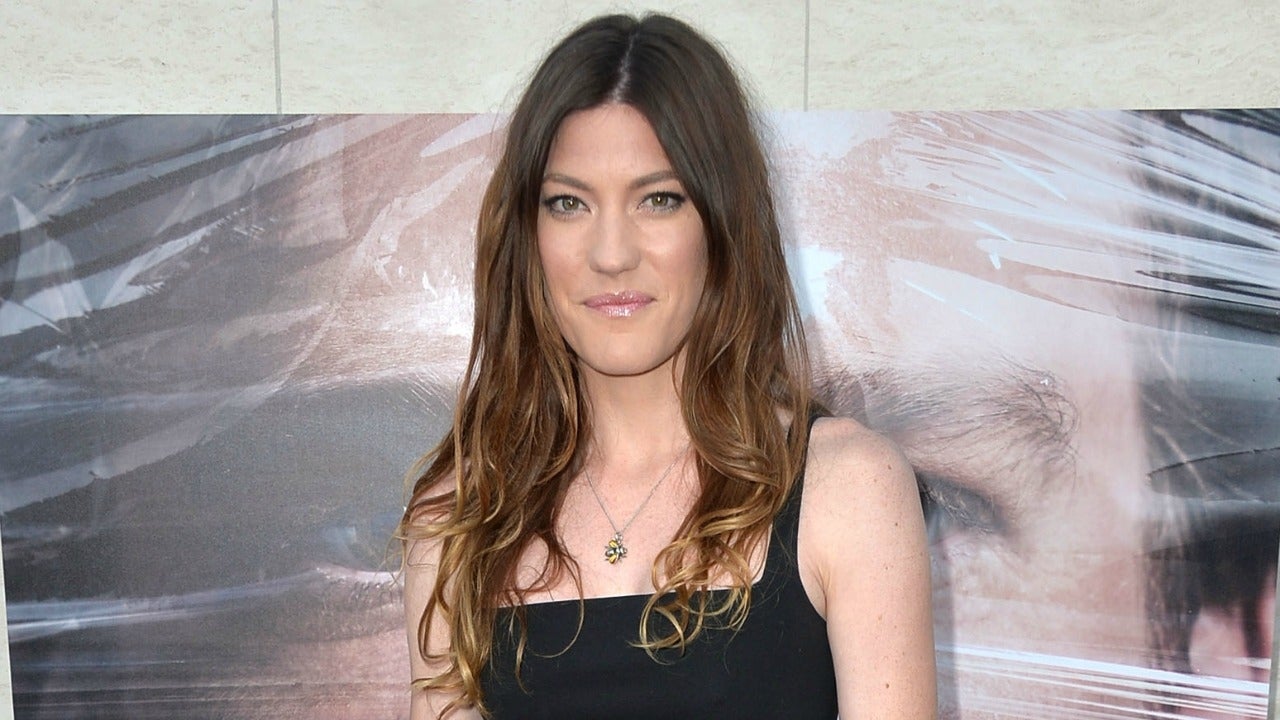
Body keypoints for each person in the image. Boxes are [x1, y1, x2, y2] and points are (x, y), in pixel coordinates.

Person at [398, 12, 936, 720]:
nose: (611, 254)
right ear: (528, 235)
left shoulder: (849, 486)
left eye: (658, 199)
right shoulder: (460, 516)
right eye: (568, 203)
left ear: (721, 222)